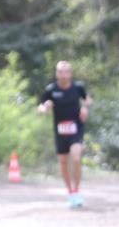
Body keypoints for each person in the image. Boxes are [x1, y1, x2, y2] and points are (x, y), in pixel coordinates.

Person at [38, 61, 91, 208]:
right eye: (60, 72)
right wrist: (44, 109)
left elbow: (87, 99)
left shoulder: (78, 88)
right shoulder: (51, 89)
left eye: (65, 72)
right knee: (63, 162)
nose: (63, 75)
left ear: (70, 73)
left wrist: (85, 108)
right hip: (60, 130)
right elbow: (41, 105)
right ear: (56, 74)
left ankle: (77, 191)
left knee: (75, 157)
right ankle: (70, 193)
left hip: (76, 128)